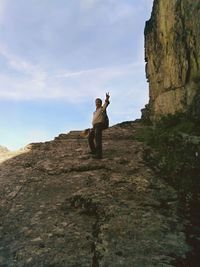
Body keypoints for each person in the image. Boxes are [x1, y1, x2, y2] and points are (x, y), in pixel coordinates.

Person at [88, 93, 110, 159]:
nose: (96, 103)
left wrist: (107, 98)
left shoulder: (102, 109)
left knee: (98, 139)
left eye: (98, 102)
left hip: (100, 125)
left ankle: (99, 155)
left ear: (100, 103)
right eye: (96, 102)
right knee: (90, 138)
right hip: (94, 126)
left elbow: (106, 104)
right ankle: (94, 151)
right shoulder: (94, 112)